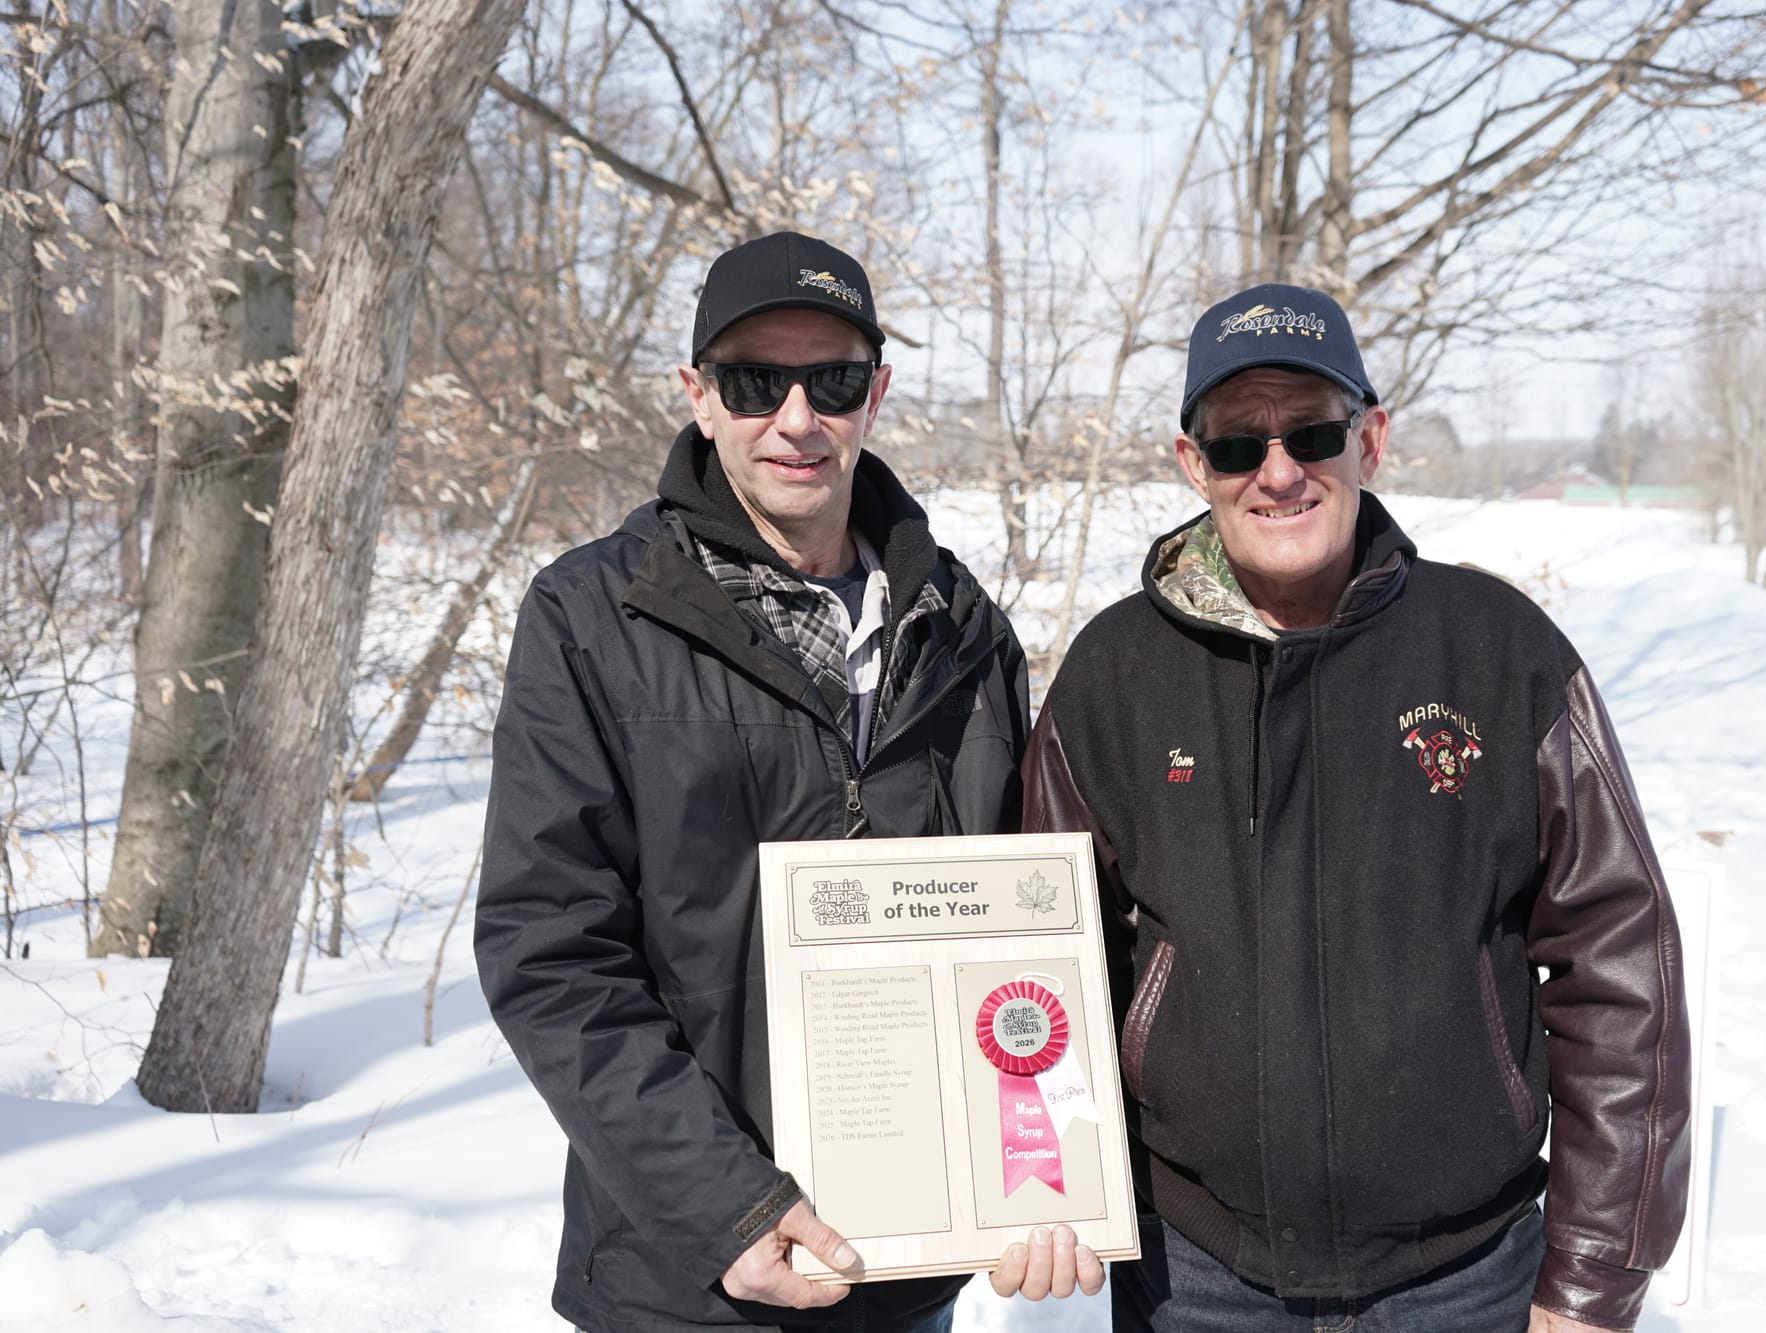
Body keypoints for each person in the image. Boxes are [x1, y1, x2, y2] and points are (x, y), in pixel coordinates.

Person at [1022, 282, 1691, 1332]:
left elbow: (1618, 966)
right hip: (1196, 1275)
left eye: (1312, 431)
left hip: (1465, 1277)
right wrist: (1040, 1181)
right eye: (1238, 445)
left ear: (1369, 440)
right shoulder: (1114, 674)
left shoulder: (1498, 651)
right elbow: (1041, 959)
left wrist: (1594, 1276)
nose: (1278, 471)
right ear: (1191, 464)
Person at [475, 231, 1100, 1333]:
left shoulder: (958, 629)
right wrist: (729, 1208)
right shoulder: (590, 620)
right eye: (757, 381)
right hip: (686, 1279)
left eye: (835, 381)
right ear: (698, 397)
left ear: (876, 395)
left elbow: (1029, 941)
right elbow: (550, 953)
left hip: (903, 1274)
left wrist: (1045, 1181)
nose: (798, 418)